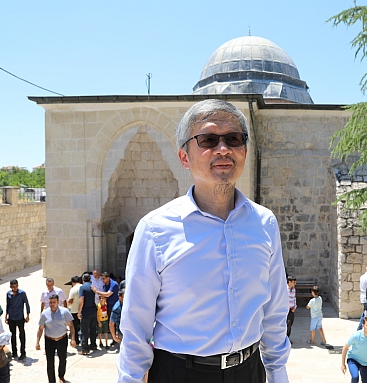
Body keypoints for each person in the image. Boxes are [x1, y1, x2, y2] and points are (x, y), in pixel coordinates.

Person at [118, 99, 289, 383]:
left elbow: (274, 310)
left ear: (244, 151)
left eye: (233, 139)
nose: (223, 149)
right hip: (179, 373)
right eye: (208, 140)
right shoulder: (155, 229)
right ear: (184, 157)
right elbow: (135, 325)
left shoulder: (265, 224)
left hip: (249, 372)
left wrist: (278, 374)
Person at [36, 294, 76, 383]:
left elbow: (71, 326)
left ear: (58, 302)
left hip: (62, 339)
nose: (52, 304)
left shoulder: (65, 312)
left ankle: (61, 376)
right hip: (49, 340)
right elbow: (40, 328)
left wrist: (73, 339)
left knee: (62, 359)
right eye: (50, 302)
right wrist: (37, 342)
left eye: (54, 302)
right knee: (50, 362)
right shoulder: (44, 314)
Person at [5, 279, 30, 361]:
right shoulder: (8, 294)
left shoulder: (22, 293)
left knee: (21, 334)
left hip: (19, 317)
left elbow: (26, 303)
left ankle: (23, 352)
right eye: (13, 287)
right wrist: (6, 316)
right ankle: (14, 352)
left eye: (16, 286)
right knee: (12, 335)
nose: (15, 288)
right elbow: (7, 305)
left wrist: (28, 315)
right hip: (11, 317)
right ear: (10, 287)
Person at [77, 273, 97, 355]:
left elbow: (81, 300)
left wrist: (79, 312)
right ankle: (93, 345)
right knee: (93, 329)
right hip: (93, 309)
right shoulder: (93, 287)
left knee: (84, 330)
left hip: (86, 311)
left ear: (83, 279)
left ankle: (84, 348)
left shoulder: (82, 287)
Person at [65, 275, 82, 344]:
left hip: (75, 310)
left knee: (74, 326)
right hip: (83, 310)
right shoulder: (83, 287)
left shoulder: (73, 289)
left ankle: (76, 340)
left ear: (72, 282)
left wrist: (66, 305)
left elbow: (70, 301)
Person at [286, 276, 297, 340]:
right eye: (294, 282)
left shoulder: (293, 289)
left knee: (290, 324)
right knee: (287, 324)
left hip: (292, 310)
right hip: (286, 310)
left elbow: (294, 298)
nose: (295, 283)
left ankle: (287, 338)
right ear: (289, 282)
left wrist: (294, 307)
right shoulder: (284, 289)